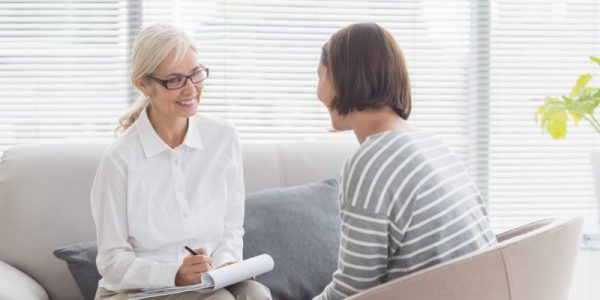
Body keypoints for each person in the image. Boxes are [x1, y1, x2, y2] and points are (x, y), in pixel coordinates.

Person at [313, 22, 497, 300]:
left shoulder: (370, 163)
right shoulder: (433, 145)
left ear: (342, 77)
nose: (318, 93)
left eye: (320, 77)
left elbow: (352, 292)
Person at [90, 23, 271, 300]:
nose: (191, 89)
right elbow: (112, 262)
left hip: (206, 283)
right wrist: (175, 274)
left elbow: (231, 228)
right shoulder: (119, 160)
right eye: (175, 80)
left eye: (196, 74)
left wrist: (226, 265)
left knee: (255, 294)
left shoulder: (224, 139)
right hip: (134, 292)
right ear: (143, 84)